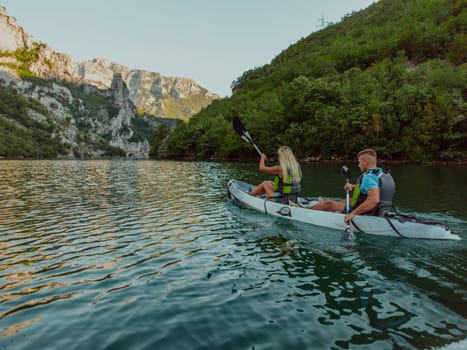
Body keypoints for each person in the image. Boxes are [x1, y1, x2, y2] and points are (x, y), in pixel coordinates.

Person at [310, 148, 395, 223]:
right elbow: (373, 188)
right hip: (379, 211)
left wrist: (352, 214)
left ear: (365, 162)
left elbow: (374, 200)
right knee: (347, 200)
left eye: (359, 162)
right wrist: (353, 186)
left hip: (369, 213)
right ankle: (322, 205)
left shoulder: (368, 177)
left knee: (330, 204)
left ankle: (305, 210)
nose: (358, 165)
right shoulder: (382, 174)